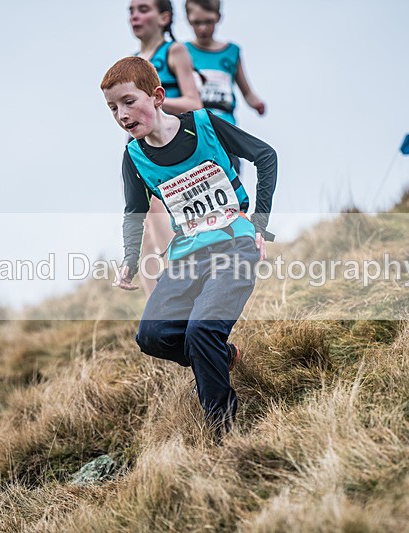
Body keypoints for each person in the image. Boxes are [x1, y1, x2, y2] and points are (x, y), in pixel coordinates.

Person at [101, 56, 277, 441]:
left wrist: (260, 224)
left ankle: (222, 433)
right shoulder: (134, 158)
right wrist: (130, 259)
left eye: (129, 101)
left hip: (235, 246)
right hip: (187, 257)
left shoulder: (204, 125)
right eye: (113, 108)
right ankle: (221, 355)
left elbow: (266, 156)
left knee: (200, 331)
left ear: (158, 96)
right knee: (152, 335)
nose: (121, 114)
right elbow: (134, 211)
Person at [129, 0, 203, 295]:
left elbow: (194, 102)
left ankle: (185, 300)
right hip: (138, 153)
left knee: (165, 224)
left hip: (169, 150)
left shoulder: (174, 51)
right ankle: (156, 323)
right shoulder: (132, 61)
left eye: (143, 9)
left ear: (164, 17)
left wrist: (151, 101)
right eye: (131, 10)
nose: (135, 15)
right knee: (145, 234)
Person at [184, 0, 266, 173]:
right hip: (194, 128)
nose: (203, 28)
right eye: (197, 23)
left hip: (224, 129)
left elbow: (247, 92)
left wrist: (257, 103)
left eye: (208, 21)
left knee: (229, 175)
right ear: (188, 20)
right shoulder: (182, 52)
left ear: (219, 18)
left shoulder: (231, 52)